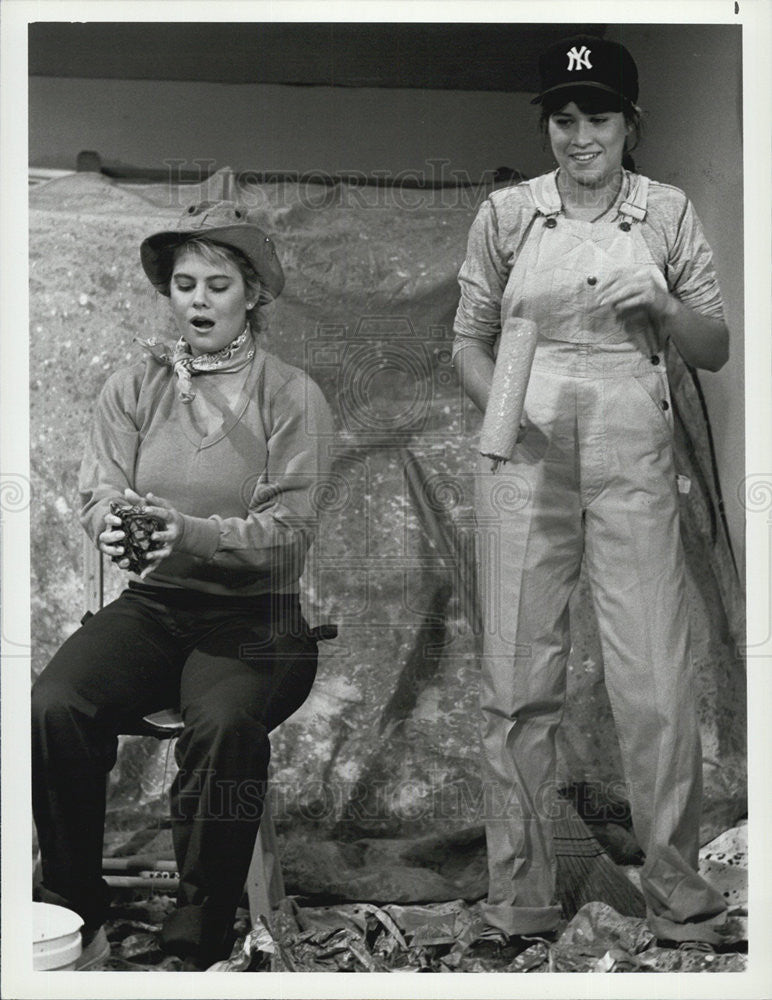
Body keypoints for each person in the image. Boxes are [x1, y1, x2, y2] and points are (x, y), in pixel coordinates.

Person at [453, 35, 732, 948]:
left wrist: (662, 307)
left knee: (654, 679)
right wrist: (505, 410)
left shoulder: (667, 214)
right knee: (517, 682)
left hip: (631, 444)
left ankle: (681, 895)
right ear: (548, 124)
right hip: (523, 446)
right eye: (564, 118)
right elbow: (468, 337)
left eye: (599, 118)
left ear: (630, 125)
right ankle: (521, 898)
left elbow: (711, 347)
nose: (580, 136)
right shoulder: (506, 214)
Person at [32, 200, 334, 969]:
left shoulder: (290, 394)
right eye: (184, 283)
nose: (197, 299)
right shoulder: (136, 385)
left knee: (224, 724)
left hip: (256, 619)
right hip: (157, 608)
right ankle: (73, 911)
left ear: (253, 294)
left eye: (217, 284)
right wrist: (106, 520)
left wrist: (191, 530)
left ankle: (195, 931)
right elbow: (101, 488)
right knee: (55, 707)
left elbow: (289, 536)